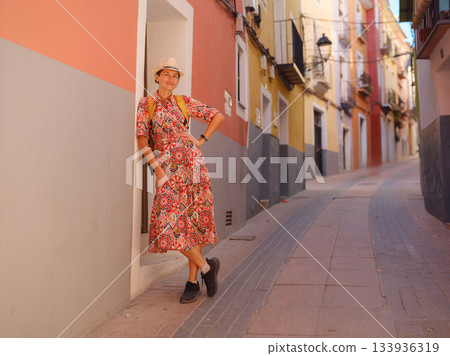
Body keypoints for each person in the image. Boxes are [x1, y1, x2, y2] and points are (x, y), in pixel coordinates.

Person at [136, 57, 225, 304]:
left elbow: (217, 115)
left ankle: (192, 281)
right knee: (169, 223)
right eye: (166, 74)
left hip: (193, 166)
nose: (170, 79)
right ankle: (208, 268)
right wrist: (158, 170)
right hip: (166, 168)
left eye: (175, 76)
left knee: (192, 222)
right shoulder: (146, 105)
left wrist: (201, 140)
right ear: (156, 77)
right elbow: (142, 140)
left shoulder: (183, 102)